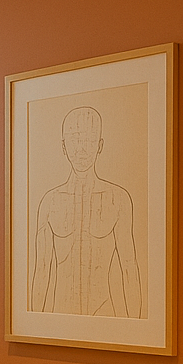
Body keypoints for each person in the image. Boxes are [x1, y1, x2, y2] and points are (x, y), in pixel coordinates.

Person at [30, 104, 142, 317]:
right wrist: (35, 326)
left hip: (104, 313)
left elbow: (129, 267)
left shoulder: (117, 199)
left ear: (100, 145)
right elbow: (42, 271)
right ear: (64, 146)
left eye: (89, 141)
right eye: (74, 141)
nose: (81, 150)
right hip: (60, 316)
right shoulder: (50, 202)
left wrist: (136, 326)